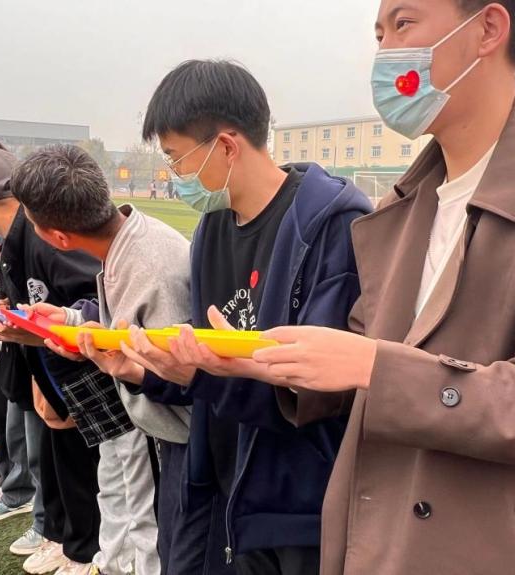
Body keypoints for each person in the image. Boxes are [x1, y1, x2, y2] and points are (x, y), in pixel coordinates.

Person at [250, 2, 515, 573]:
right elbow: (360, 366)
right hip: (382, 548)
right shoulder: (405, 205)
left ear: (488, 29)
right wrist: (261, 361)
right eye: (379, 35)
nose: (385, 54)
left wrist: (375, 367)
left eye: (403, 24)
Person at [124, 59, 371, 575]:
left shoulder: (331, 227)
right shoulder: (211, 230)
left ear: (226, 146)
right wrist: (147, 372)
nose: (175, 177)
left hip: (296, 506)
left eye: (175, 159)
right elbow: (210, 365)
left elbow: (318, 396)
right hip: (224, 486)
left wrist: (209, 374)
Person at [16, 144, 193, 575]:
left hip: (172, 435)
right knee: (125, 508)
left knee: (154, 535)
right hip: (152, 424)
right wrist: (71, 321)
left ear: (58, 238)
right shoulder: (126, 240)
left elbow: (180, 377)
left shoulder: (151, 268)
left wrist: (120, 363)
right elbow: (124, 328)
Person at [0, 146, 106, 575]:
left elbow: (94, 302)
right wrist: (5, 304)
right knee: (54, 461)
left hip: (80, 380)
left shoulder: (46, 236)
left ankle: (85, 551)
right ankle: (62, 537)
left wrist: (40, 330)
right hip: (47, 371)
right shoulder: (20, 235)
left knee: (79, 466)